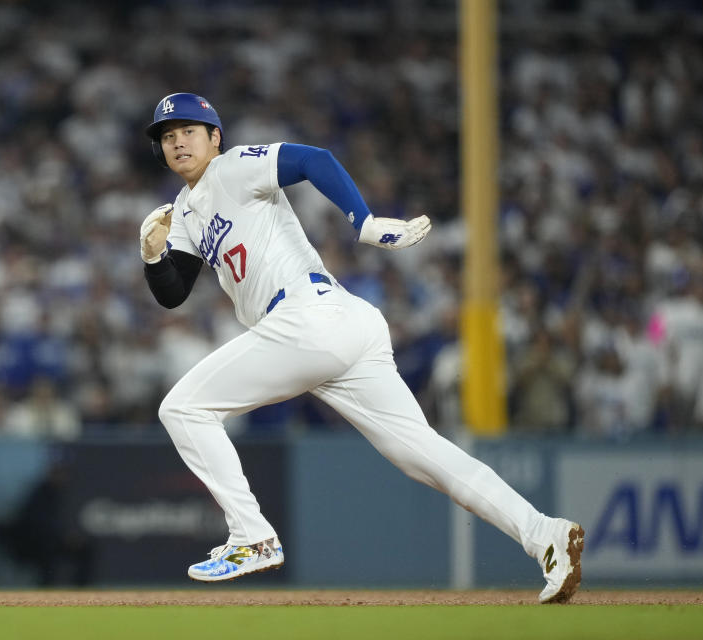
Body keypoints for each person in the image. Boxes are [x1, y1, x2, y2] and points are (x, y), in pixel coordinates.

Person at [139, 93, 584, 603]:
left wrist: (364, 222)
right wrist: (152, 256)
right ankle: (545, 533)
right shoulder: (188, 211)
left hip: (308, 317)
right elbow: (173, 293)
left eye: (188, 131)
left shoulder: (233, 167)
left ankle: (251, 536)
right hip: (337, 327)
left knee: (184, 407)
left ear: (215, 137)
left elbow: (313, 160)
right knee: (423, 455)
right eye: (168, 137)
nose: (177, 142)